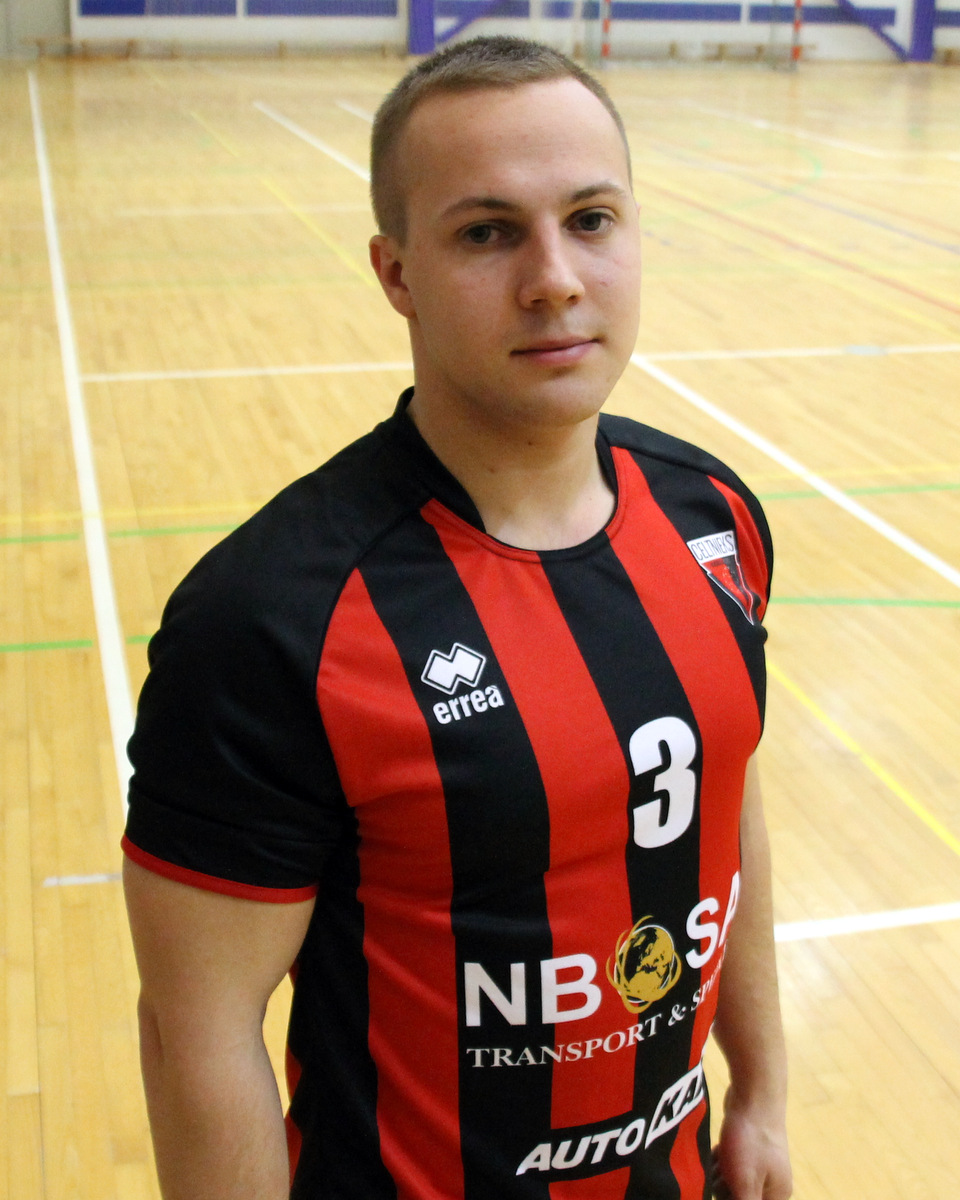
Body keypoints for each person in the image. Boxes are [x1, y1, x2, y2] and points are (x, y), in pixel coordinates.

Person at [122, 35, 792, 1200]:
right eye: (488, 233)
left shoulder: (714, 517)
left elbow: (724, 793)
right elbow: (200, 1029)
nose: (555, 279)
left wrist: (764, 1094)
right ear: (396, 274)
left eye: (591, 219)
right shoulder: (273, 621)